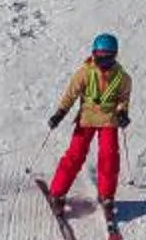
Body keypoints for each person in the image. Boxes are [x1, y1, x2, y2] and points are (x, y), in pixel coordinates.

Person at [45, 33, 133, 216]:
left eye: (108, 57)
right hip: (86, 118)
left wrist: (123, 112)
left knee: (109, 157)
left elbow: (123, 98)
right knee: (75, 154)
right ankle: (57, 193)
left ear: (115, 56)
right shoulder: (85, 73)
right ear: (93, 54)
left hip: (109, 120)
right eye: (99, 56)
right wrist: (60, 113)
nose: (103, 60)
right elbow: (71, 95)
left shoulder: (122, 77)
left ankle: (107, 196)